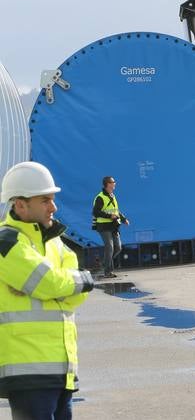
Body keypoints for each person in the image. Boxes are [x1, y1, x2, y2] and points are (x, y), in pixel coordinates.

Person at [0, 161, 94, 420]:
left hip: (61, 367)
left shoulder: (54, 242)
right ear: (20, 204)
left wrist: (61, 284)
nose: (53, 207)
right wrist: (70, 282)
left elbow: (75, 295)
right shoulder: (6, 243)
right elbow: (51, 284)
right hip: (28, 371)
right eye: (45, 200)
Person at [92, 177, 129, 279]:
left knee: (118, 248)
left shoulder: (112, 195)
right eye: (113, 182)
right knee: (110, 247)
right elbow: (96, 212)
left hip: (113, 226)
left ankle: (105, 263)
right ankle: (108, 272)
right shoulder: (100, 197)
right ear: (107, 184)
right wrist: (109, 216)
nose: (115, 184)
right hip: (103, 226)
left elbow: (116, 210)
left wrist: (123, 219)